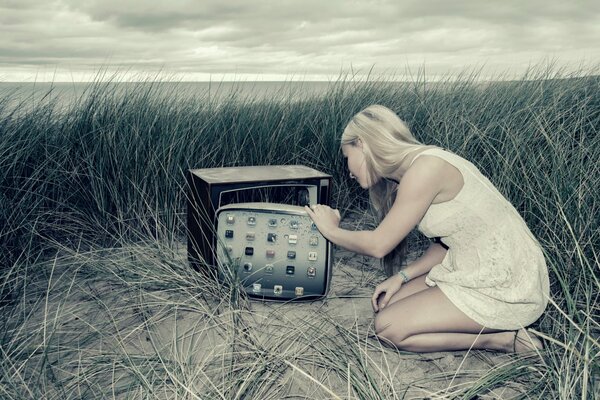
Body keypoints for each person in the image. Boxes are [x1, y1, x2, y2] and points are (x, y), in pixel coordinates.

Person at [305, 104, 549, 353]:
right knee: (388, 304)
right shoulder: (413, 170)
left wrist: (331, 230)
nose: (348, 172)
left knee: (388, 328)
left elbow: (379, 245)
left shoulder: (426, 168)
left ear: (362, 143)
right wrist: (402, 277)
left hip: (506, 281)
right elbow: (445, 243)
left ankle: (501, 340)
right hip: (472, 266)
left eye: (347, 158)